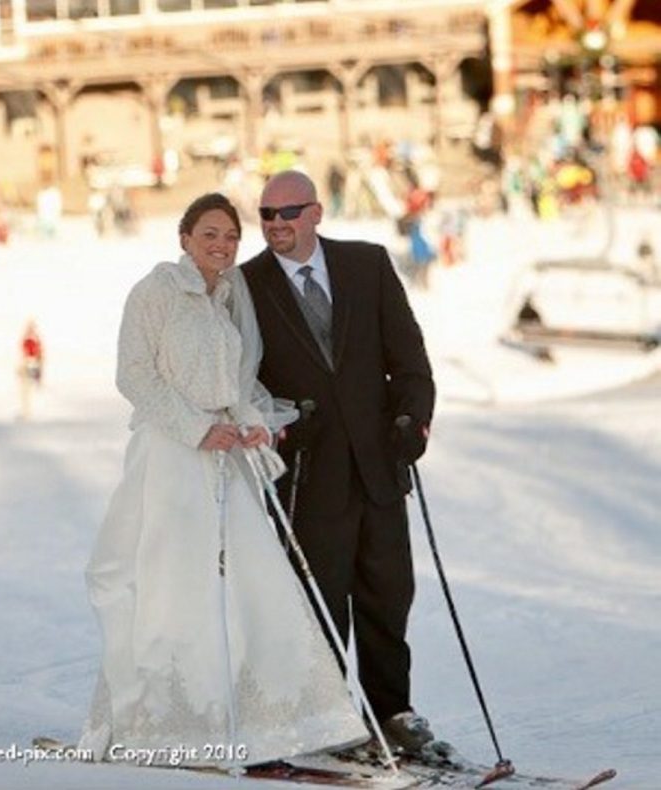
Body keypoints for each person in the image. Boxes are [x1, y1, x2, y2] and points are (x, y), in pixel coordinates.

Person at [77, 193, 368, 771]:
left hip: (224, 458)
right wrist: (195, 429)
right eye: (209, 234)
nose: (221, 245)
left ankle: (278, 717)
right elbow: (133, 375)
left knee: (253, 584)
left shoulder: (231, 297)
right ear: (184, 238)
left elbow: (239, 382)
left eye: (231, 237)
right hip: (170, 457)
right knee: (176, 586)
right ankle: (173, 720)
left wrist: (251, 423)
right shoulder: (156, 292)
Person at [242, 171, 437, 759]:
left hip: (379, 466)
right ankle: (330, 721)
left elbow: (410, 362)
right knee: (321, 602)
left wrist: (413, 424)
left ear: (316, 213)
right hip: (307, 472)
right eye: (266, 214)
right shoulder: (246, 285)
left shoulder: (367, 265)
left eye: (288, 212)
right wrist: (275, 420)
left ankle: (392, 713)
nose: (276, 224)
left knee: (387, 594)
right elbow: (241, 375)